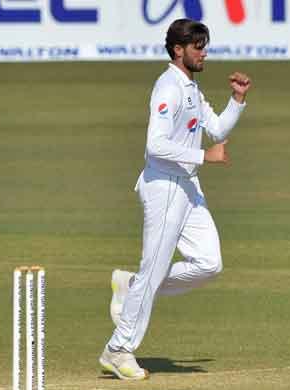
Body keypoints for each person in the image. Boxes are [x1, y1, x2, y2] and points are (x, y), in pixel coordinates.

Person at [99, 18, 252, 380]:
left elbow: (215, 129)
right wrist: (204, 157)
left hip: (188, 187)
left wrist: (237, 100)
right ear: (178, 49)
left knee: (209, 262)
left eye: (205, 45)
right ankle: (118, 350)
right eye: (197, 46)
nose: (204, 52)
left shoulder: (191, 87)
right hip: (165, 186)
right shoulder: (168, 87)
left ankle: (134, 285)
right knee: (153, 270)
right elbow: (155, 144)